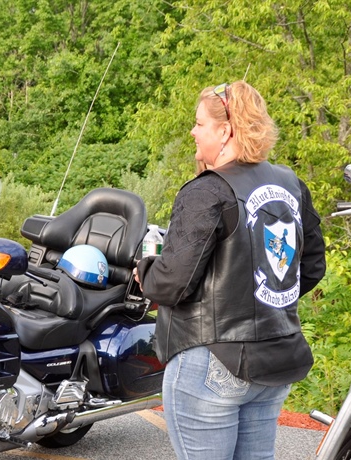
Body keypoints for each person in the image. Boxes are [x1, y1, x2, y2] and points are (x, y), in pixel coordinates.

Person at [133, 81, 326, 460]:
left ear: (225, 131)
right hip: (275, 358)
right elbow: (312, 266)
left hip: (212, 359)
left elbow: (172, 284)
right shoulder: (291, 183)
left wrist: (146, 271)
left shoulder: (207, 190)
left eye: (199, 124)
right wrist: (263, 301)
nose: (193, 132)